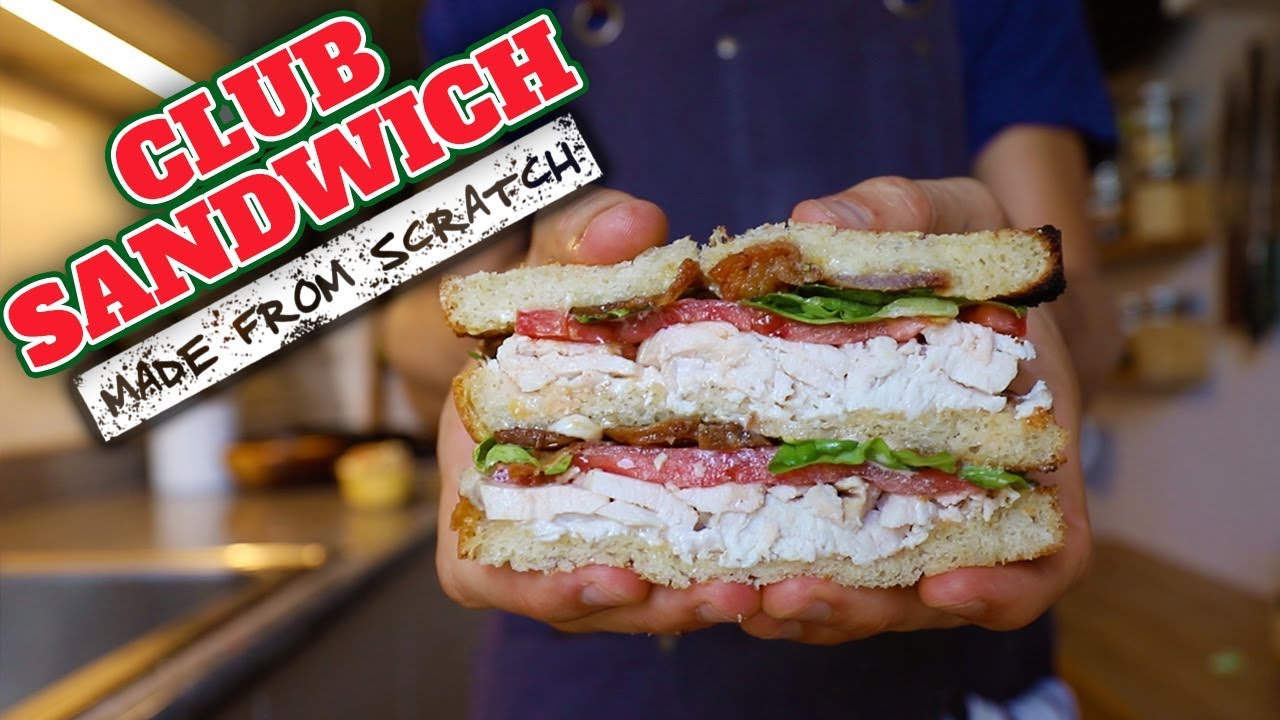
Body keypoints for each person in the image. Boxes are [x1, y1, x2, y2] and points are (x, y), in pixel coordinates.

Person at [382, 1, 1123, 717]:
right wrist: (537, 336)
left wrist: (1027, 312)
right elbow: (418, 329)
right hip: (590, 678)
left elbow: (1089, 323)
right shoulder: (495, 11)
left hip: (952, 670)